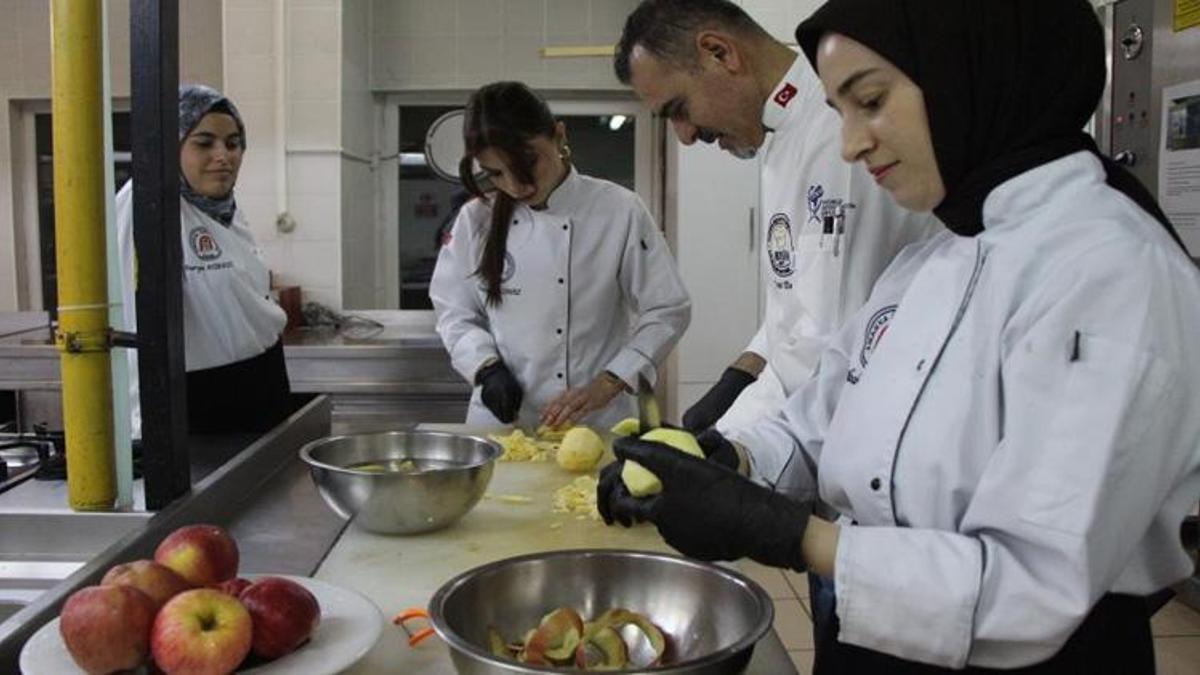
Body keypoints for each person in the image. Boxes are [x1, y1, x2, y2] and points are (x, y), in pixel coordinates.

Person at [599, 0, 1200, 671]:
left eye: (871, 101)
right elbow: (822, 414)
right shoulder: (935, 253)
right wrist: (729, 459)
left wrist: (791, 534)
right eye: (841, 110)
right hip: (875, 623)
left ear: (972, 74)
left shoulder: (1110, 271)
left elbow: (1030, 589)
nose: (851, 144)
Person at [615, 0, 938, 441]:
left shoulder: (833, 133)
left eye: (679, 109)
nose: (685, 136)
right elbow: (795, 307)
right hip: (810, 432)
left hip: (858, 437)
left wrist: (731, 444)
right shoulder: (781, 136)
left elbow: (830, 346)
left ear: (720, 53)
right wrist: (740, 374)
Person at [429, 82, 690, 431]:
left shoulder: (618, 209)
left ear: (559, 136)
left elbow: (667, 308)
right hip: (505, 423)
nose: (516, 186)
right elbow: (454, 313)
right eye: (495, 173)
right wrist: (486, 367)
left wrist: (611, 381)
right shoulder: (476, 220)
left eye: (527, 163)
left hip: (598, 420)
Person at [118, 84, 291, 436]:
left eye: (233, 143)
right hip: (197, 402)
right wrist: (142, 429)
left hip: (261, 382)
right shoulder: (146, 206)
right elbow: (133, 323)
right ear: (171, 145)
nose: (223, 156)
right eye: (204, 142)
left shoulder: (222, 209)